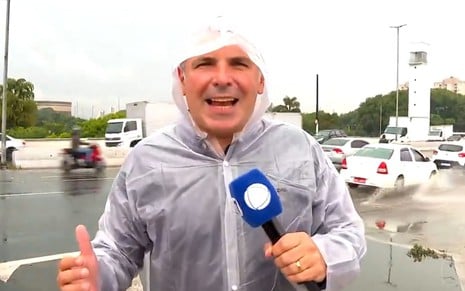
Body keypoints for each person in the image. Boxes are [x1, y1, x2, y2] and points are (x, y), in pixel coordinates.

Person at [57, 21, 366, 291]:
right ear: (182, 78)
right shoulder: (147, 161)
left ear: (260, 80)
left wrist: (324, 255)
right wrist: (97, 275)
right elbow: (118, 252)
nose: (221, 78)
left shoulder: (302, 150)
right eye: (205, 63)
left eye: (239, 64)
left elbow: (348, 232)